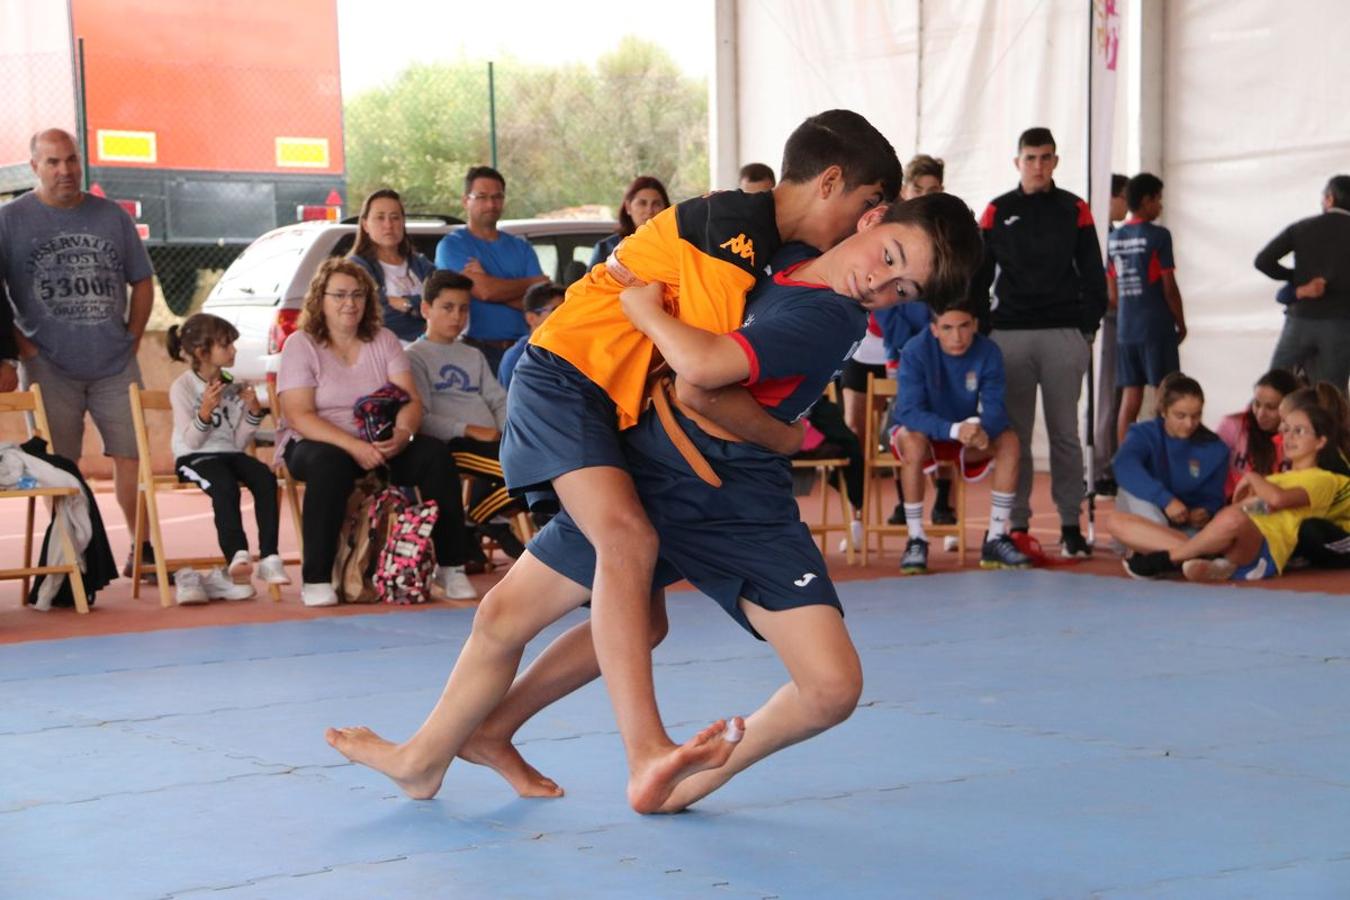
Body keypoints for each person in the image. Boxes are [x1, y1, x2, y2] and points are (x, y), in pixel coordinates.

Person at [323, 193, 982, 814]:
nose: (882, 285)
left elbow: (699, 380)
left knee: (832, 686)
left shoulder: (824, 316)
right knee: (515, 615)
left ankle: (669, 776)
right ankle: (438, 752)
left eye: (904, 290)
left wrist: (648, 315)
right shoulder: (778, 258)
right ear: (871, 217)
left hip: (735, 505)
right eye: (890, 258)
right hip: (653, 474)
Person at [492, 109, 902, 811]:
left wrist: (787, 437)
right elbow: (698, 378)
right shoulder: (737, 239)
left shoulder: (797, 273)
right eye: (871, 217)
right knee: (547, 588)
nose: (875, 255)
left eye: (904, 283)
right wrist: (785, 437)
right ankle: (628, 751)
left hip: (690, 465)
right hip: (618, 427)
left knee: (579, 618)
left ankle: (453, 748)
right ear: (834, 184)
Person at [0, 128, 155, 577]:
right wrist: (23, 347)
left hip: (114, 365)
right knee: (59, 467)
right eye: (53, 162)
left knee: (132, 456)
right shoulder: (10, 221)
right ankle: (74, 552)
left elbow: (141, 280)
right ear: (33, 167)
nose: (65, 170)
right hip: (48, 366)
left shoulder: (111, 216)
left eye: (71, 160)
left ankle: (141, 549)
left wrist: (134, 335)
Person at [275, 258, 474, 606]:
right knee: (329, 463)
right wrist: (353, 446)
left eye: (357, 295)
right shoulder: (300, 344)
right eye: (339, 295)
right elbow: (298, 415)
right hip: (316, 442)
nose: (349, 303)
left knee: (434, 455)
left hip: (380, 440)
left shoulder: (384, 340)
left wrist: (404, 433)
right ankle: (317, 578)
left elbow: (411, 399)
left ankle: (451, 566)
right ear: (320, 299)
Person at [970, 127, 1108, 557]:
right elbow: (978, 276)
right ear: (1017, 162)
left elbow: (1094, 273)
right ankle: (1017, 525)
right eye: (1030, 158)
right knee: (1015, 435)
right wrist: (985, 328)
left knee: (1066, 433)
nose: (1038, 165)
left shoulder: (1075, 209)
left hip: (1064, 333)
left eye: (1046, 158)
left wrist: (1086, 329)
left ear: (1056, 162)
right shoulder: (996, 210)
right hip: (1009, 335)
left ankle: (1070, 524)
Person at [1124, 404, 1349, 582]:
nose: (1289, 438)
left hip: (1265, 547)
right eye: (1286, 430)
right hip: (1238, 534)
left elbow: (1278, 500)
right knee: (1119, 522)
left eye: (1299, 431)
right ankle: (1211, 560)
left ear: (1321, 442)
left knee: (1233, 518)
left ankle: (1169, 559)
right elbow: (1261, 506)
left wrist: (1251, 478)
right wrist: (1242, 504)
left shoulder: (1323, 479)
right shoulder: (1274, 478)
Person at [890, 299, 1031, 574]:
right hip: (928, 435)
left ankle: (995, 537)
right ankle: (916, 538)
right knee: (912, 439)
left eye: (964, 326)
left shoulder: (988, 351)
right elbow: (908, 411)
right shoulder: (915, 350)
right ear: (934, 329)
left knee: (1009, 441)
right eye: (947, 328)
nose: (957, 336)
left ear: (975, 325)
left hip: (967, 435)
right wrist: (955, 429)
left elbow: (995, 408)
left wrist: (981, 429)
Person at [165, 313, 289, 604]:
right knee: (224, 485)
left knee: (265, 477)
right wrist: (205, 411)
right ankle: (237, 554)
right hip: (194, 457)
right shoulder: (182, 388)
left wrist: (253, 412)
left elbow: (237, 440)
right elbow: (192, 440)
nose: (234, 351)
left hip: (229, 452)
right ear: (202, 352)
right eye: (226, 345)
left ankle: (270, 556)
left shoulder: (233, 382)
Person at [406, 269, 526, 568]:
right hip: (454, 445)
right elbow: (421, 417)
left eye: (463, 308)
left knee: (543, 463)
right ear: (425, 309)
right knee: (528, 474)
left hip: (491, 440)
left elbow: (498, 400)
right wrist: (470, 430)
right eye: (448, 307)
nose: (457, 316)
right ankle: (483, 521)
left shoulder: (471, 354)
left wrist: (510, 431)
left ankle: (474, 520)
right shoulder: (414, 357)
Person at [434, 166, 548, 372]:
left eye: (497, 197)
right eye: (482, 196)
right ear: (465, 200)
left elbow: (540, 302)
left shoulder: (521, 247)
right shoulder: (453, 246)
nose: (491, 204)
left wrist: (488, 281)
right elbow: (485, 292)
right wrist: (530, 283)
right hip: (476, 350)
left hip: (525, 350)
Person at [1106, 373, 1228, 557]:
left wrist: (1204, 511)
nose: (1189, 424)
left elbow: (1214, 496)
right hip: (1150, 517)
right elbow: (1123, 465)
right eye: (1180, 416)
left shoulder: (1215, 448)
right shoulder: (1144, 434)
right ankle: (1194, 553)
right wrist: (1166, 500)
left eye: (1196, 416)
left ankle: (1164, 553)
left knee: (1218, 530)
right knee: (1131, 492)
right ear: (1164, 411)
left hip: (1183, 527)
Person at [1108, 173, 1186, 442]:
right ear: (1146, 200)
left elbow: (1113, 293)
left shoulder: (1113, 238)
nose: (1161, 206)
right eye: (1158, 200)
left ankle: (1125, 464)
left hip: (1126, 329)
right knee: (1167, 392)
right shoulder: (1159, 236)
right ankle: (1165, 453)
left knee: (1131, 395)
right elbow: (1169, 286)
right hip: (1155, 326)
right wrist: (1181, 321)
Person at [1256, 175, 1350, 394]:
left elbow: (1263, 261)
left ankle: (1275, 427)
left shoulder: (1302, 227)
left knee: (1276, 385)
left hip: (1300, 321)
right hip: (1341, 325)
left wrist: (1296, 281)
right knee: (1329, 395)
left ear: (1329, 199)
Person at [348, 189, 437, 344]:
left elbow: (443, 300)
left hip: (427, 354)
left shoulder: (420, 263)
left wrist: (406, 303)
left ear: (403, 222)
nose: (388, 225)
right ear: (365, 225)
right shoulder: (356, 267)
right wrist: (423, 308)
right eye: (380, 218)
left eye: (395, 217)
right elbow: (377, 316)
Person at [1093, 172, 1132, 495]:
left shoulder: (1114, 235)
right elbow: (1109, 288)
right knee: (1106, 397)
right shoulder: (1099, 237)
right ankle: (1100, 468)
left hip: (1119, 320)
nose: (1127, 205)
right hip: (1105, 320)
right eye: (1124, 197)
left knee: (1117, 395)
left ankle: (1110, 463)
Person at [1284, 384, 1350, 569]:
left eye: (1295, 428)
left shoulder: (1328, 462)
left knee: (1305, 527)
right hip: (1331, 525)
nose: (1283, 429)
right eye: (1285, 426)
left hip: (1343, 533)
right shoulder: (1304, 456)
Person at [1216, 369, 1302, 500]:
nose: (1261, 414)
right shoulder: (1233, 425)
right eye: (1256, 404)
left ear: (1290, 408)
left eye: (1271, 407)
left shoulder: (1302, 437)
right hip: (1231, 504)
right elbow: (1210, 471)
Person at [589, 176, 671, 267]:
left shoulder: (676, 247)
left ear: (666, 209)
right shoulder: (606, 248)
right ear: (628, 207)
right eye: (642, 203)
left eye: (656, 204)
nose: (649, 210)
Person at [498, 281, 564, 391]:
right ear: (531, 318)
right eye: (556, 310)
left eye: (566, 310)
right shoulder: (516, 358)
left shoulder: (566, 351)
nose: (565, 316)